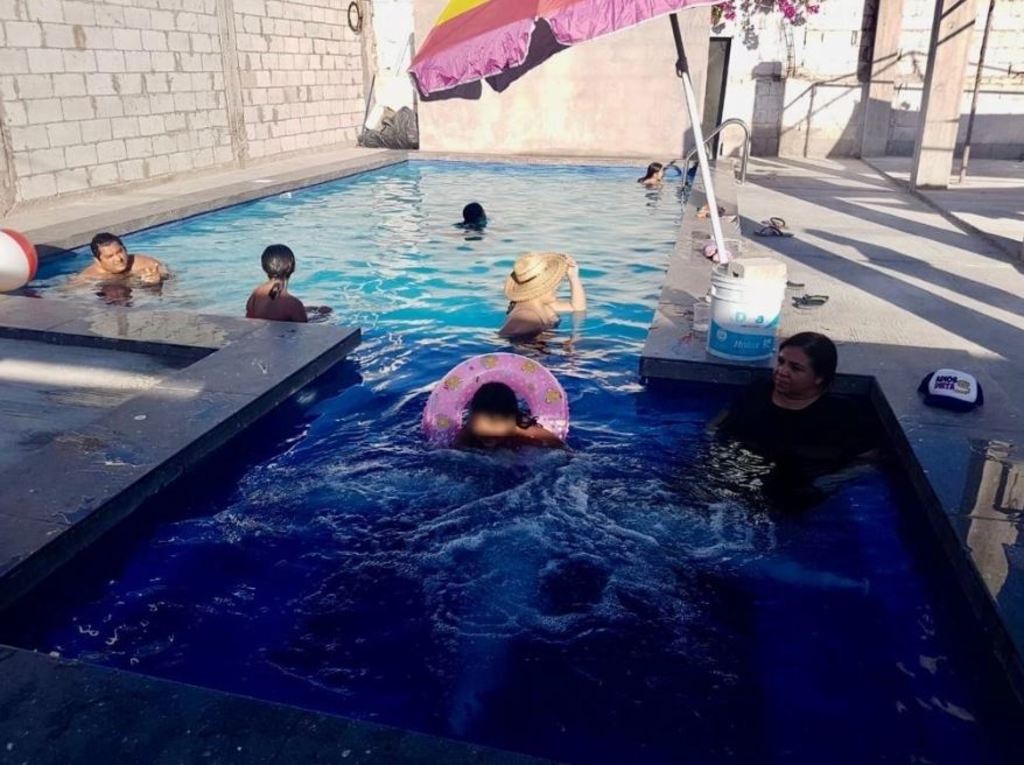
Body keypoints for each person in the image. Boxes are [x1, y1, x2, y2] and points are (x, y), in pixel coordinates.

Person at [715, 332, 879, 475]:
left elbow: (866, 459)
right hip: (735, 470)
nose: (782, 371)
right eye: (781, 362)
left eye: (795, 368)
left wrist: (827, 482)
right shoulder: (757, 392)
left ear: (819, 377)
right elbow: (718, 426)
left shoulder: (839, 415)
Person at [453, 382, 565, 450]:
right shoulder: (468, 432)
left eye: (496, 431)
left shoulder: (521, 428)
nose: (491, 438)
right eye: (484, 433)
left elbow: (559, 446)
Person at [499, 252, 587, 339]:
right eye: (553, 283)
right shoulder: (528, 316)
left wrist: (573, 277)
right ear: (541, 288)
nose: (557, 286)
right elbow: (505, 339)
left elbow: (577, 308)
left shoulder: (542, 304)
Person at [245, 244, 308, 323]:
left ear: (264, 267)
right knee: (321, 312)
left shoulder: (256, 294)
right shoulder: (294, 305)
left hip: (263, 329)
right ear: (293, 268)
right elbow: (304, 327)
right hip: (283, 330)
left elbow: (249, 319)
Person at [76, 232, 170, 285]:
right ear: (97, 261)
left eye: (120, 252)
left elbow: (168, 275)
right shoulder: (88, 278)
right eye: (110, 256)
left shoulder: (142, 263)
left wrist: (160, 278)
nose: (118, 259)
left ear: (125, 249)